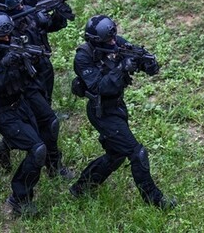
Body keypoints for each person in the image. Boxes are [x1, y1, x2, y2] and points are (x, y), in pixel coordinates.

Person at [69, 15, 176, 209]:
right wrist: (121, 68)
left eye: (113, 37)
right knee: (136, 152)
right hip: (101, 111)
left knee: (116, 155)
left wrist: (147, 63)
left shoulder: (115, 42)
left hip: (117, 106)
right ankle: (154, 199)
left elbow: (136, 57)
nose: (113, 42)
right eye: (108, 40)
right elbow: (99, 87)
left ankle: (81, 188)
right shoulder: (83, 57)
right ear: (96, 41)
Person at [0, 0, 74, 179]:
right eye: (15, 7)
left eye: (21, 4)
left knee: (48, 121)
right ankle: (49, 164)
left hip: (39, 71)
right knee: (43, 123)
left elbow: (48, 25)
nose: (21, 8)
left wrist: (59, 15)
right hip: (22, 84)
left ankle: (52, 165)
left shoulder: (28, 13)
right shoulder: (2, 31)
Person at [0, 12, 47, 217]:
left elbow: (30, 76)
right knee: (37, 150)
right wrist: (4, 65)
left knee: (42, 137)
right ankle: (19, 197)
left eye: (8, 35)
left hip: (21, 104)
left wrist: (29, 59)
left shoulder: (13, 43)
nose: (6, 38)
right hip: (2, 111)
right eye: (2, 36)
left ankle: (3, 147)